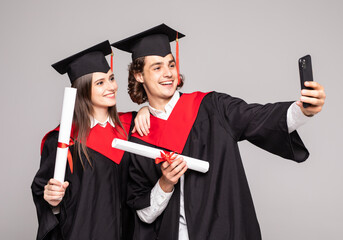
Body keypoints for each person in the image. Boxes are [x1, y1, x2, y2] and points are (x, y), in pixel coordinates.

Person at [111, 24, 326, 240]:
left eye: (171, 64)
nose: (168, 73)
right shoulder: (138, 137)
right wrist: (165, 183)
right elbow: (144, 215)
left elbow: (257, 116)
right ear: (139, 75)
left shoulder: (212, 107)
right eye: (157, 67)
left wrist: (303, 110)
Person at [31, 40, 150, 240]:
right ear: (84, 90)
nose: (111, 86)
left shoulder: (132, 127)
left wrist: (146, 109)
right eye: (100, 83)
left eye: (111, 78)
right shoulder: (62, 140)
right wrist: (52, 202)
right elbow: (46, 196)